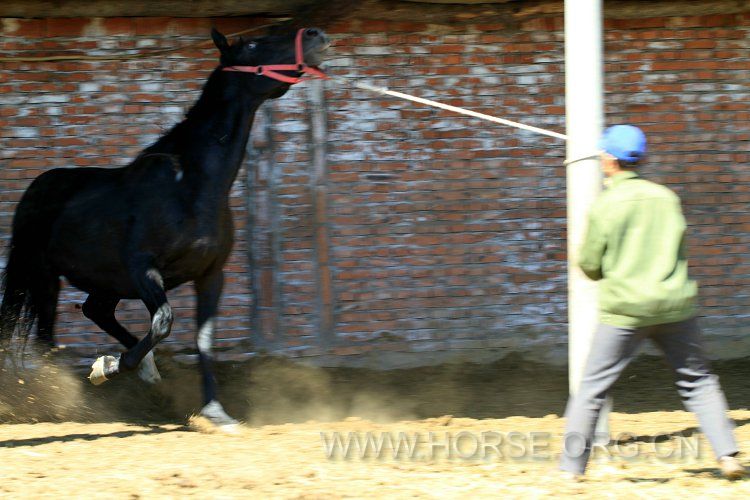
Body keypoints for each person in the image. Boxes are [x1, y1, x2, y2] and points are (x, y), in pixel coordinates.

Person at [559, 124, 744, 479]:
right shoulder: (667, 197)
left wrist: (584, 261)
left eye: (603, 154)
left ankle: (570, 469)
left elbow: (591, 265)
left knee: (592, 389)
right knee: (700, 381)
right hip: (676, 307)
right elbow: (679, 251)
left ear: (609, 160)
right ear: (641, 159)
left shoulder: (607, 204)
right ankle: (728, 457)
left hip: (626, 312)